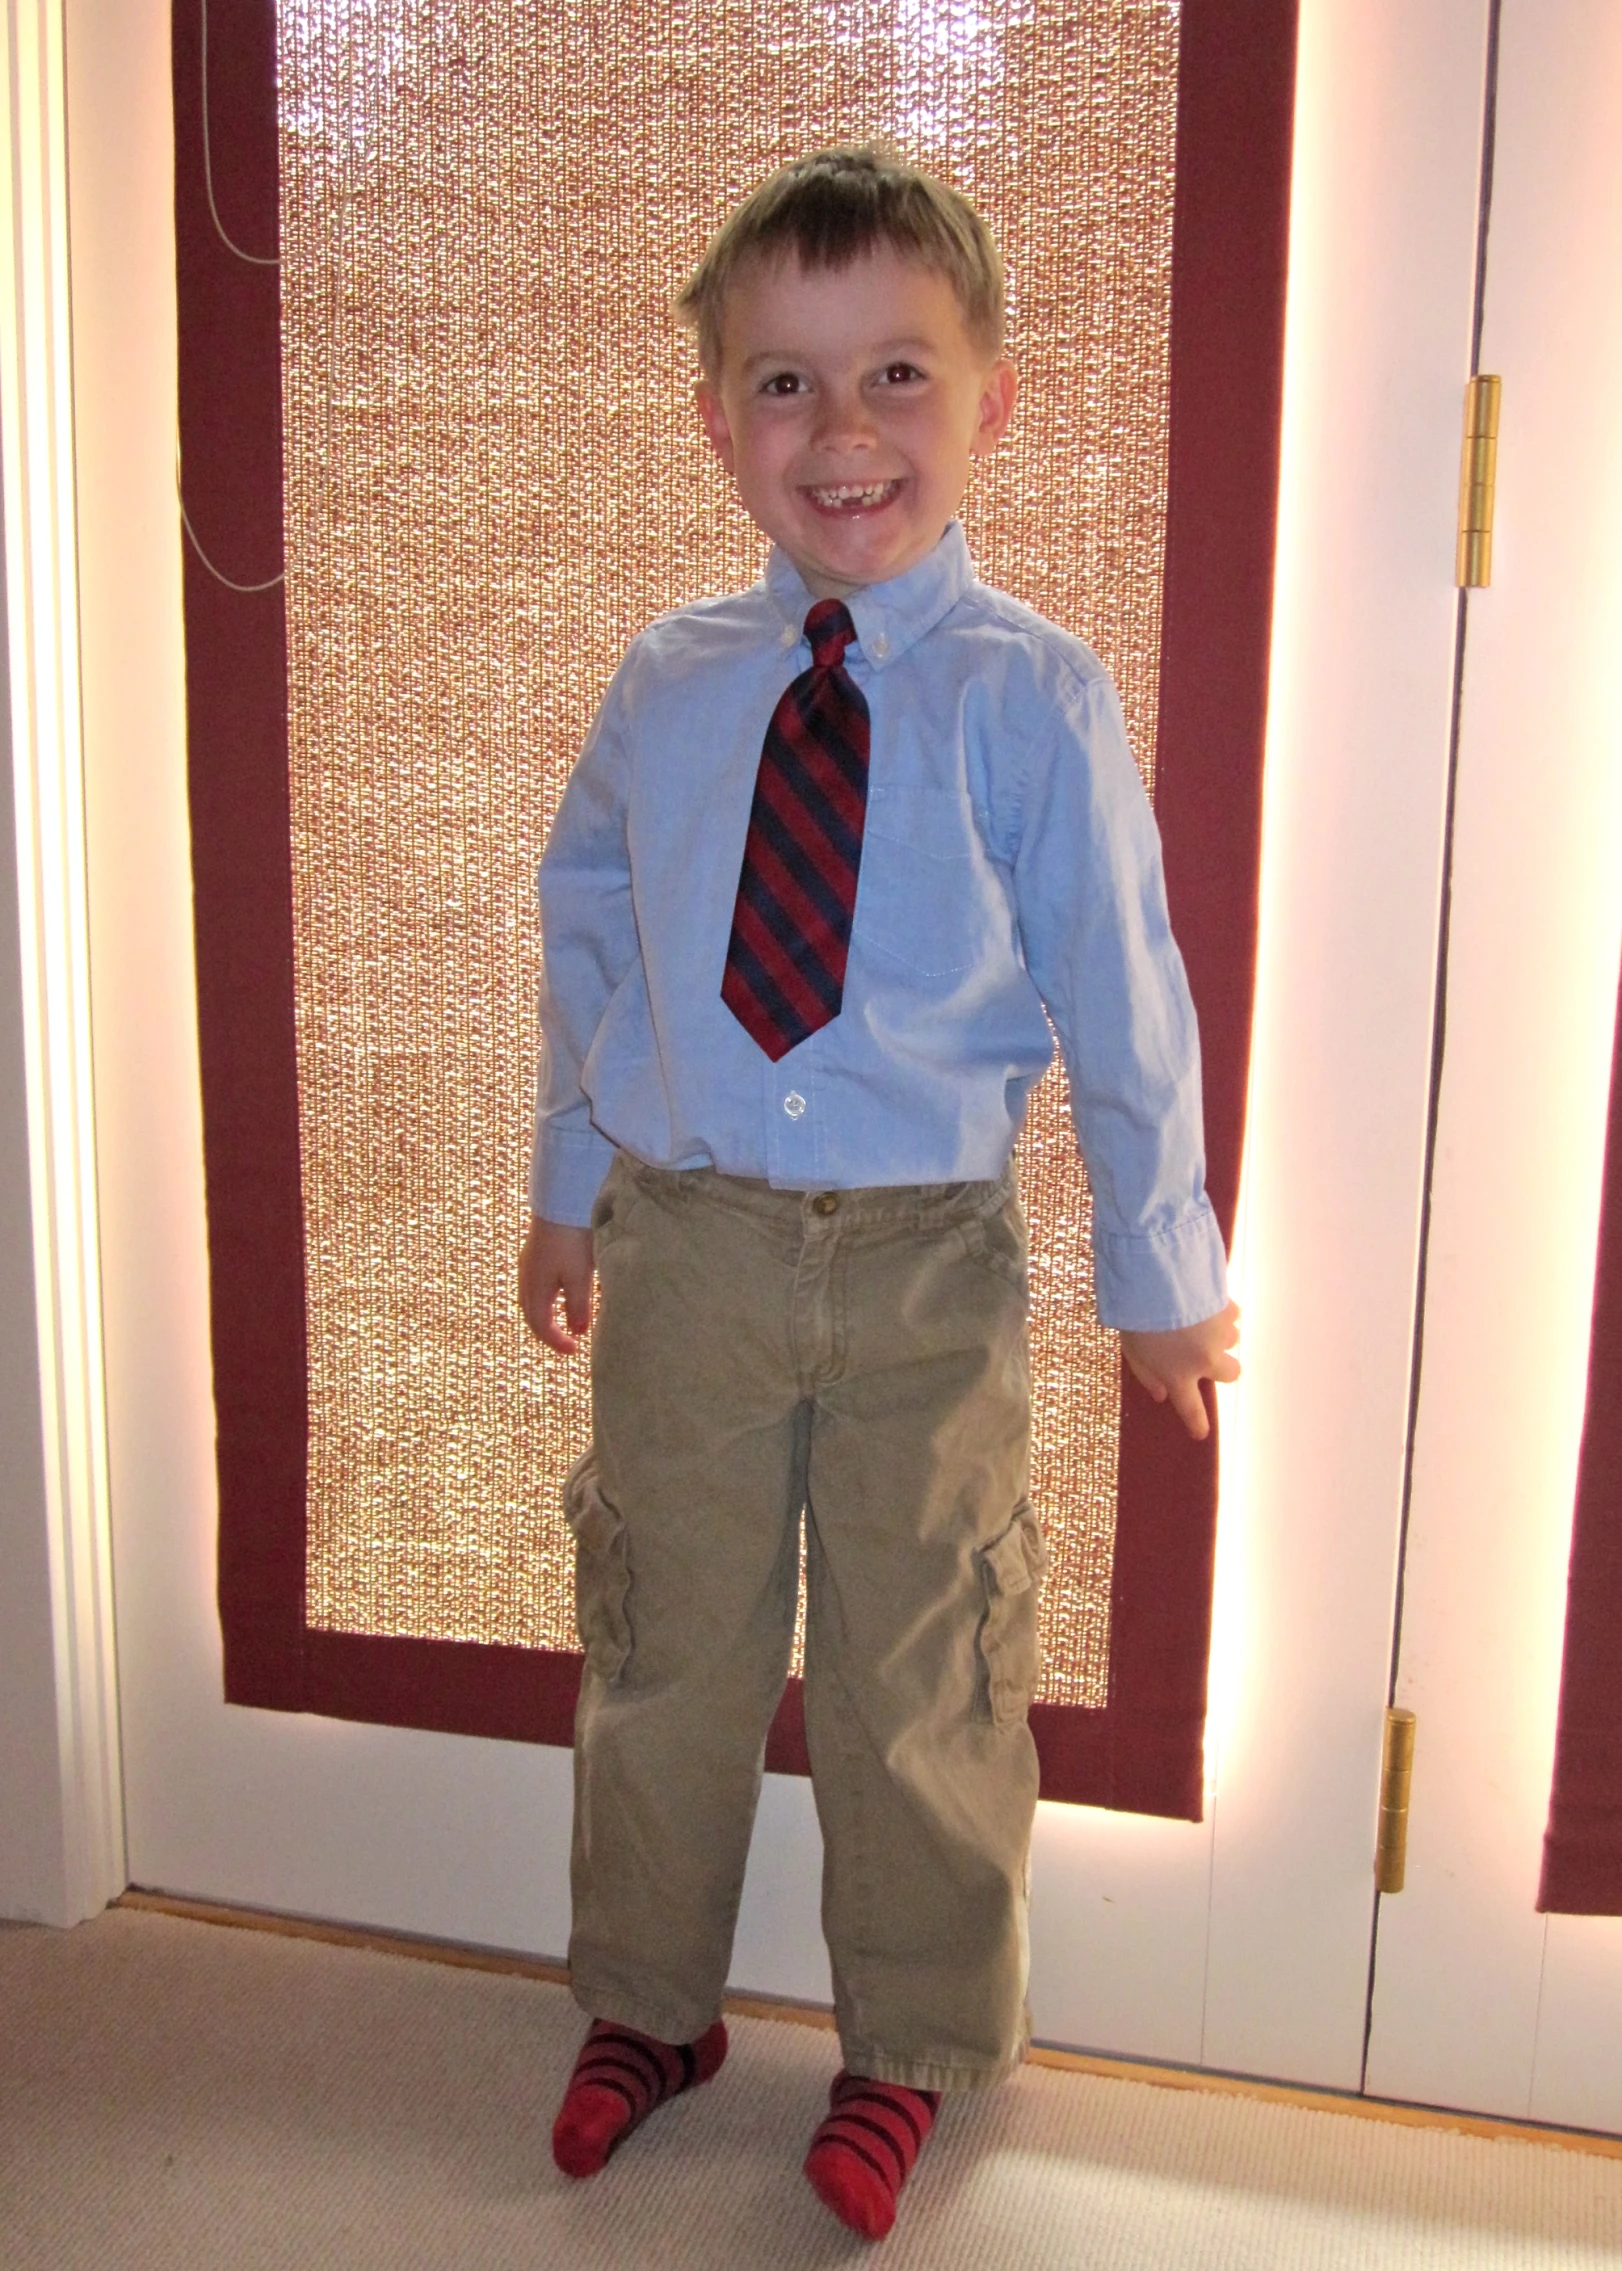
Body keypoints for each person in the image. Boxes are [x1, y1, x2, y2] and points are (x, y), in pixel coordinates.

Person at [519, 144, 1239, 2243]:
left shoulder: (1029, 695)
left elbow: (1126, 991)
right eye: (783, 385)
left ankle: (911, 2040)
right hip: (695, 1250)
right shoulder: (669, 691)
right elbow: (603, 953)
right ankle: (645, 2003)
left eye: (897, 376)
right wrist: (571, 1189)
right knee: (665, 1635)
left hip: (932, 1267)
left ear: (990, 399)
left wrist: (1159, 1264)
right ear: (715, 413)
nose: (842, 436)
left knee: (927, 1667)